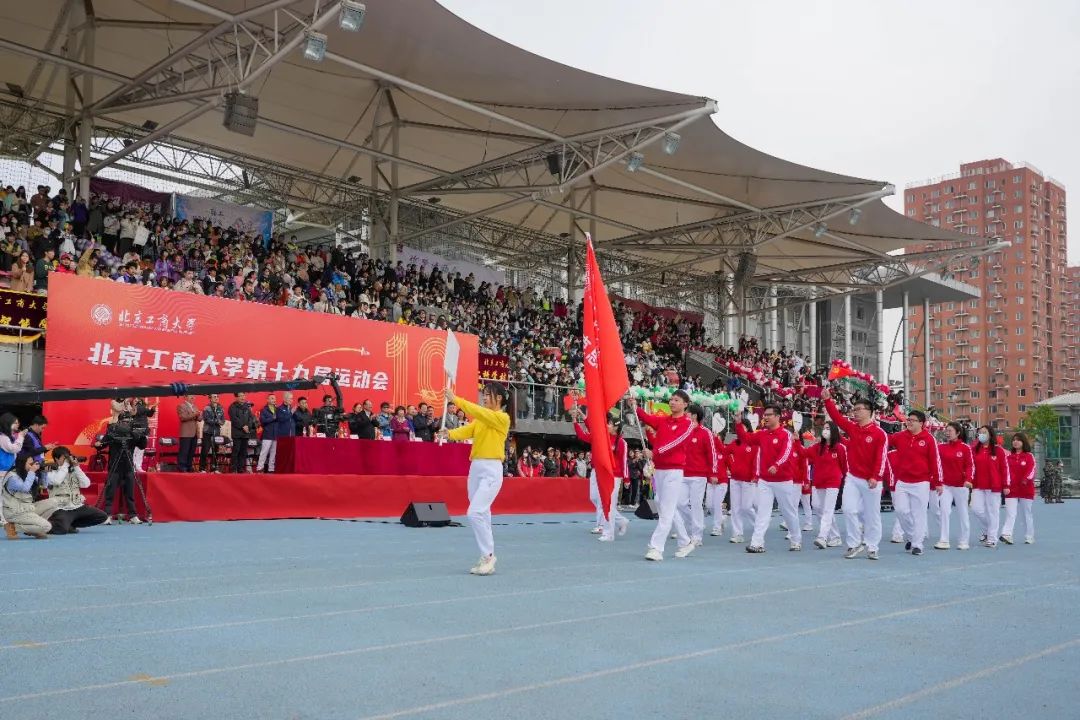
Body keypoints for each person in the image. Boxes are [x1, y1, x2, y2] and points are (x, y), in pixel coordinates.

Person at [443, 383, 511, 576]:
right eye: (484, 394)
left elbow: (478, 412)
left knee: (474, 512)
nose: (484, 397)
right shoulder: (482, 419)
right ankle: (485, 555)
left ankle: (489, 556)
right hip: (476, 467)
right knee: (483, 513)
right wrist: (449, 434)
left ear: (499, 398)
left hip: (491, 469)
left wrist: (455, 399)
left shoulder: (501, 418)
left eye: (488, 395)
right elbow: (468, 430)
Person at [822, 388, 889, 561]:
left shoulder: (879, 433)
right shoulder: (852, 428)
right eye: (855, 409)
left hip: (871, 480)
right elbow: (836, 418)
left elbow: (881, 458)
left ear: (870, 412)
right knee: (848, 509)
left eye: (860, 410)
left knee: (872, 515)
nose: (856, 412)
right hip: (853, 477)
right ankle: (853, 543)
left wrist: (875, 476)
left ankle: (872, 546)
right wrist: (828, 400)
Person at [629, 391, 694, 562]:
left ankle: (656, 548)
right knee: (663, 506)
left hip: (674, 471)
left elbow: (675, 443)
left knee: (666, 511)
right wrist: (636, 408)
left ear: (685, 404)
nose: (672, 402)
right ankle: (685, 541)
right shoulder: (665, 420)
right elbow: (649, 419)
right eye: (671, 399)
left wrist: (654, 453)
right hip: (660, 470)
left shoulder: (687, 424)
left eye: (676, 400)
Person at [736, 406, 802, 553]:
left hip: (783, 480)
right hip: (765, 480)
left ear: (778, 416)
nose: (765, 417)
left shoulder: (786, 434)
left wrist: (777, 465)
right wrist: (739, 423)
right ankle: (757, 543)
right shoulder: (762, 434)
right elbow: (746, 438)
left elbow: (786, 452)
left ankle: (796, 540)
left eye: (769, 415)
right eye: (764, 415)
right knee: (762, 512)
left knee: (788, 512)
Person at [887, 410, 942, 557]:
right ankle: (912, 536)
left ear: (921, 423)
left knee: (919, 514)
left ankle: (917, 544)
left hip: (921, 482)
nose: (909, 422)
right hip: (902, 482)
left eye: (913, 420)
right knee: (900, 510)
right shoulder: (900, 436)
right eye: (908, 419)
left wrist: (938, 482)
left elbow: (935, 462)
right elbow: (884, 440)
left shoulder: (929, 439)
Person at [572, 408, 630, 542]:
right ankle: (621, 521)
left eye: (609, 423)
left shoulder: (621, 442)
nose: (606, 425)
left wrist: (626, 479)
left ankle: (608, 532)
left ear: (615, 427)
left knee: (608, 504)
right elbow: (583, 435)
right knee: (595, 498)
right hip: (599, 473)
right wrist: (575, 421)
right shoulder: (601, 437)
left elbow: (624, 461)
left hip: (614, 476)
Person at [798, 420, 847, 549]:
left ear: (834, 431)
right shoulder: (818, 447)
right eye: (824, 428)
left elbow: (844, 466)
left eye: (828, 428)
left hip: (833, 482)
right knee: (817, 507)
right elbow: (803, 453)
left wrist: (844, 481)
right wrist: (797, 441)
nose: (825, 430)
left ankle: (822, 536)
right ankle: (835, 537)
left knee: (828, 509)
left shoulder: (840, 448)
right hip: (818, 482)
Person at [43, 446, 108, 534]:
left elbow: (86, 484)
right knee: (60, 530)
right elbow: (57, 481)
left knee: (102, 516)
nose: (67, 461)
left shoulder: (74, 470)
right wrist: (65, 466)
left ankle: (70, 524)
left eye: (67, 458)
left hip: (77, 506)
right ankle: (45, 525)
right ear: (56, 459)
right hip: (61, 508)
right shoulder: (50, 471)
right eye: (64, 458)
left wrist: (77, 467)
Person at [95, 416, 147, 524]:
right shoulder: (112, 432)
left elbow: (142, 446)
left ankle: (133, 516)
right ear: (119, 422)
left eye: (128, 422)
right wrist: (98, 445)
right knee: (110, 492)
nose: (125, 424)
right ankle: (107, 515)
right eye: (123, 422)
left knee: (130, 493)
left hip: (128, 467)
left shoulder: (133, 434)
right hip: (114, 467)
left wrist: (142, 436)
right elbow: (101, 445)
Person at [679, 403, 717, 552]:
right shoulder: (684, 430)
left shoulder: (705, 432)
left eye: (687, 412)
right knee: (679, 503)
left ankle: (697, 536)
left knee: (696, 505)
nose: (685, 414)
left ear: (694, 415)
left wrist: (713, 473)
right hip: (682, 474)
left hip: (698, 476)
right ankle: (697, 524)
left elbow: (712, 454)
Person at [935, 422, 973, 550]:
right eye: (946, 430)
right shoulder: (941, 448)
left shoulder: (965, 448)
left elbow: (970, 465)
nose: (947, 432)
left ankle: (964, 540)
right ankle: (944, 540)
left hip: (961, 486)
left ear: (958, 433)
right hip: (945, 486)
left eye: (950, 430)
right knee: (944, 511)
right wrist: (937, 481)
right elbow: (936, 465)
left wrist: (968, 479)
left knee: (963, 513)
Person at [971, 425, 1010, 548]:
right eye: (980, 433)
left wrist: (1006, 485)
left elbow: (1004, 469)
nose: (981, 435)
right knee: (976, 509)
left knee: (993, 512)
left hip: (994, 486)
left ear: (990, 434)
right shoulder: (975, 449)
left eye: (984, 432)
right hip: (977, 484)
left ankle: (992, 538)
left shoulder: (998, 451)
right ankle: (988, 530)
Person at [2, 453, 53, 538]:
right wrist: (32, 472)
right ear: (21, 463)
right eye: (30, 464)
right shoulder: (12, 477)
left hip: (27, 508)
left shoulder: (26, 474)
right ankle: (13, 526)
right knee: (47, 526)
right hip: (14, 512)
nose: (32, 466)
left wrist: (44, 473)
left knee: (53, 503)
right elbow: (25, 488)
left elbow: (44, 486)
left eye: (33, 464)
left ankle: (35, 528)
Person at [724, 417, 758, 544]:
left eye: (743, 426)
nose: (740, 429)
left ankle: (759, 526)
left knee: (746, 507)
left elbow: (756, 460)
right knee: (735, 508)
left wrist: (755, 475)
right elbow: (724, 452)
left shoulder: (753, 442)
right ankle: (737, 533)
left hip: (748, 479)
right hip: (735, 479)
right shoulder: (735, 442)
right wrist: (716, 439)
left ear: (747, 427)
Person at [1001, 432, 1036, 545]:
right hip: (1011, 490)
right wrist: (1005, 485)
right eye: (1014, 440)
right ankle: (1007, 535)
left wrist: (1026, 479)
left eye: (1018, 440)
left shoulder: (1029, 456)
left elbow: (1032, 469)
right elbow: (1004, 472)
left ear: (1023, 442)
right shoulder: (1008, 457)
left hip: (1026, 489)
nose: (1015, 442)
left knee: (1026, 513)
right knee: (1010, 513)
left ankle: (1029, 536)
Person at [705, 429, 730, 537]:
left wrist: (730, 470)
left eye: (718, 437)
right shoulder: (708, 453)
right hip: (710, 482)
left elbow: (730, 464)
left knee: (717, 504)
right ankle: (722, 519)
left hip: (722, 482)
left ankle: (717, 528)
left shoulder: (724, 451)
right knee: (709, 505)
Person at [228, 392, 255, 473]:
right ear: (236, 397)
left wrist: (248, 426)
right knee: (236, 451)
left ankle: (241, 469)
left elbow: (251, 418)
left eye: (243, 395)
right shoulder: (232, 407)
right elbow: (234, 419)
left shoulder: (247, 407)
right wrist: (243, 426)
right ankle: (233, 469)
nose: (243, 397)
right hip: (237, 433)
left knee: (243, 452)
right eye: (240, 396)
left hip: (245, 433)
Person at [256, 394, 282, 473]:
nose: (274, 400)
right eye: (272, 398)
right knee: (264, 452)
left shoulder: (278, 410)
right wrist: (272, 418)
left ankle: (271, 469)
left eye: (274, 398)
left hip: (276, 434)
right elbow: (262, 421)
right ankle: (260, 468)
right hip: (267, 434)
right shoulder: (264, 410)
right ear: (267, 400)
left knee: (273, 453)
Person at [200, 394, 226, 472]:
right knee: (205, 450)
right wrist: (217, 422)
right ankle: (202, 468)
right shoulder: (206, 408)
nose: (216, 398)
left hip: (216, 432)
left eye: (217, 397)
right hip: (208, 432)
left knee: (216, 450)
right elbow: (207, 419)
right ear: (210, 399)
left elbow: (223, 420)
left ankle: (214, 468)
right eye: (214, 397)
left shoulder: (220, 408)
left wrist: (220, 422)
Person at [176, 393, 199, 472]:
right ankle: (182, 467)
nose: (193, 397)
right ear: (185, 397)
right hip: (186, 433)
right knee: (184, 451)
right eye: (191, 395)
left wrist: (200, 415)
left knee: (191, 451)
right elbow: (183, 417)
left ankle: (189, 466)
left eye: (194, 396)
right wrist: (194, 414)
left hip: (195, 432)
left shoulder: (195, 406)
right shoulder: (181, 406)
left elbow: (199, 419)